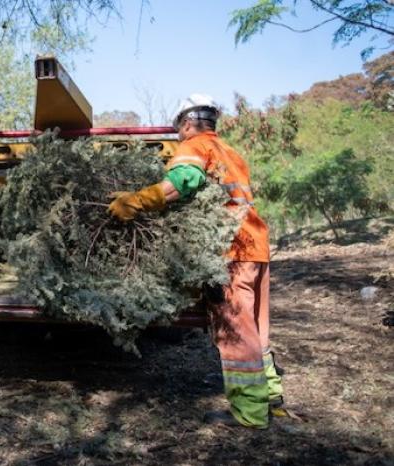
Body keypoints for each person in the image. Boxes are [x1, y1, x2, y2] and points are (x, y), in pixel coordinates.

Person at [108, 94, 285, 429]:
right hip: (255, 246)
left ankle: (249, 414)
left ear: (187, 124)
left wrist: (136, 202)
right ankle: (271, 399)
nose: (179, 135)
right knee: (257, 330)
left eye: (179, 129)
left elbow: (183, 182)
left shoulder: (194, 146)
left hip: (229, 252)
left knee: (235, 331)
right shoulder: (229, 152)